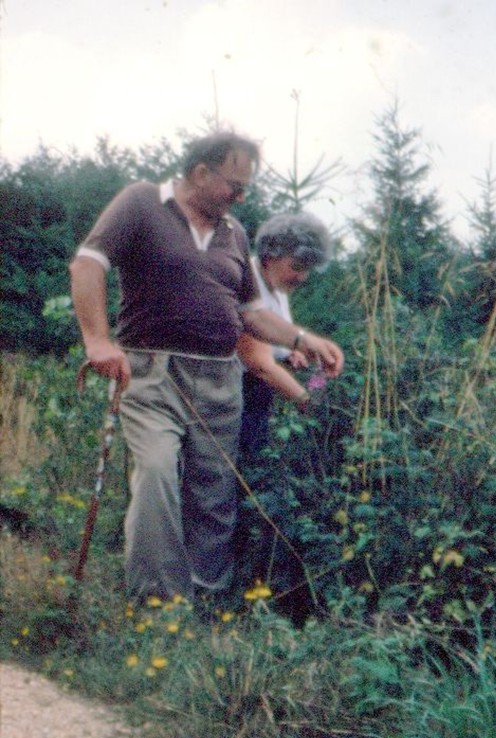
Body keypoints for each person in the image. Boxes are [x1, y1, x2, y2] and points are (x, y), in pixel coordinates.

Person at [69, 131, 344, 605]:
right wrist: (97, 339)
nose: (241, 197)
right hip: (152, 374)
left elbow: (252, 314)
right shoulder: (142, 202)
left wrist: (302, 339)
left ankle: (208, 601)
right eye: (235, 186)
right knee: (156, 475)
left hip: (219, 380)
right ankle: (158, 606)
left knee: (214, 492)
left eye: (246, 189)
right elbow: (88, 264)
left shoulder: (234, 233)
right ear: (200, 172)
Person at [237, 211, 331, 459]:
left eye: (307, 269)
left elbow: (274, 336)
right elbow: (259, 363)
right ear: (270, 256)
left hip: (256, 396)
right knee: (240, 465)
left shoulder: (277, 286)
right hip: (234, 397)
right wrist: (308, 403)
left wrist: (289, 352)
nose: (302, 277)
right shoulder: (248, 281)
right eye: (297, 267)